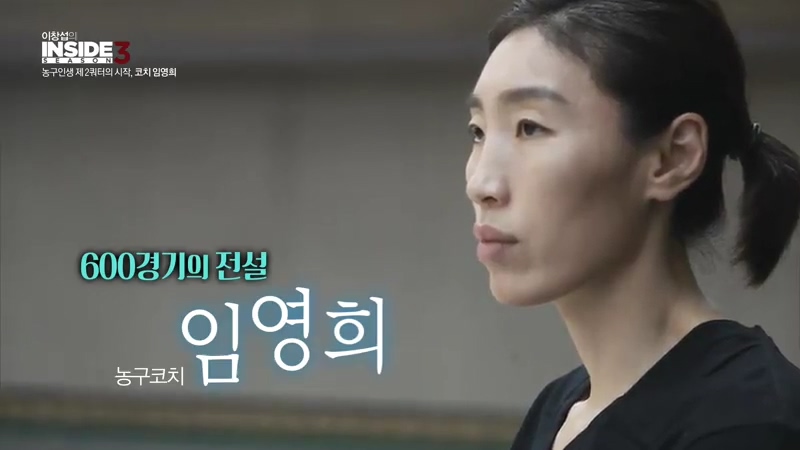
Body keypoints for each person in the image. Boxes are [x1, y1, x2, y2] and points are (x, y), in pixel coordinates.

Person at [465, 0, 800, 449]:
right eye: (478, 131)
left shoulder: (746, 422)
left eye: (530, 127)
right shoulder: (556, 409)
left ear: (673, 157)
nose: (481, 184)